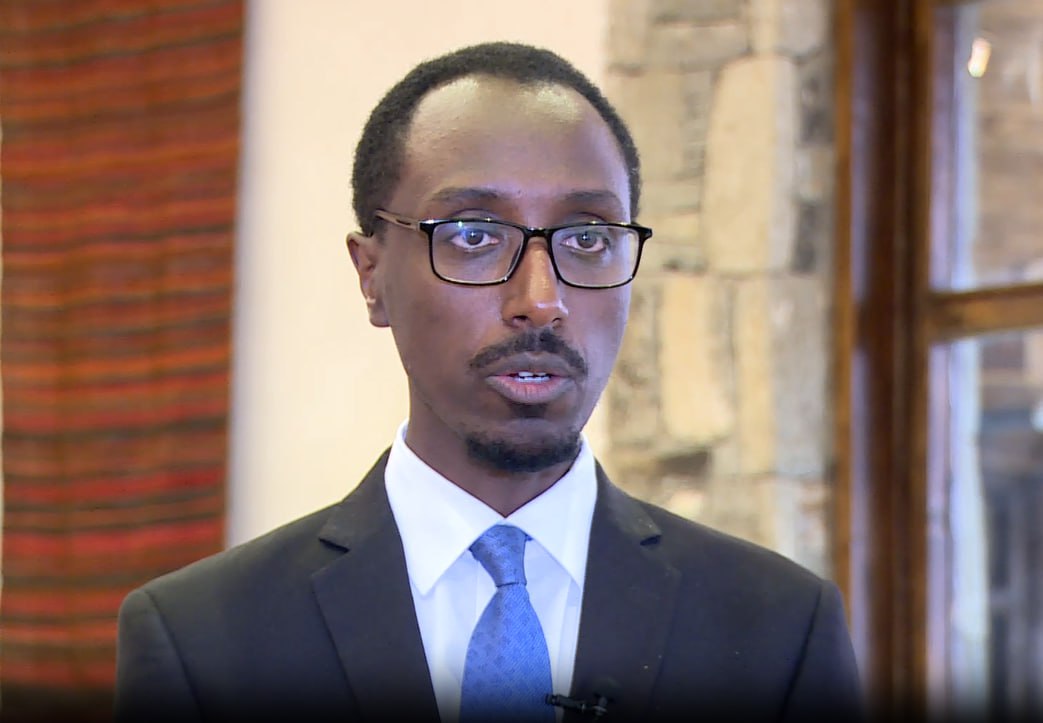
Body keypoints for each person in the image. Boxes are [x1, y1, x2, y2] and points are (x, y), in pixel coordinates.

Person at [115, 42, 864, 723]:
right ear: (371, 274)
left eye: (588, 238)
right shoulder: (203, 642)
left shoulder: (777, 631)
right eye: (474, 235)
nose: (541, 299)